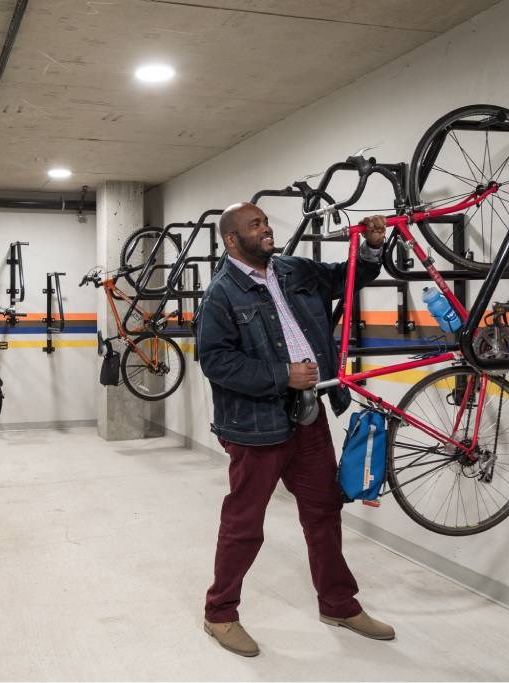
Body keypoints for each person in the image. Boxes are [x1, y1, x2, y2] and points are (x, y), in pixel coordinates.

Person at [195, 201, 392, 657]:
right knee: (245, 523)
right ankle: (219, 614)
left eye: (265, 221)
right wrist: (281, 375)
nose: (266, 229)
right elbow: (216, 361)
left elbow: (348, 277)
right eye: (254, 225)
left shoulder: (293, 269)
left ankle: (338, 603)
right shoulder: (222, 294)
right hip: (255, 427)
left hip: (309, 415)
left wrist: (371, 250)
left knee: (323, 511)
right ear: (231, 240)